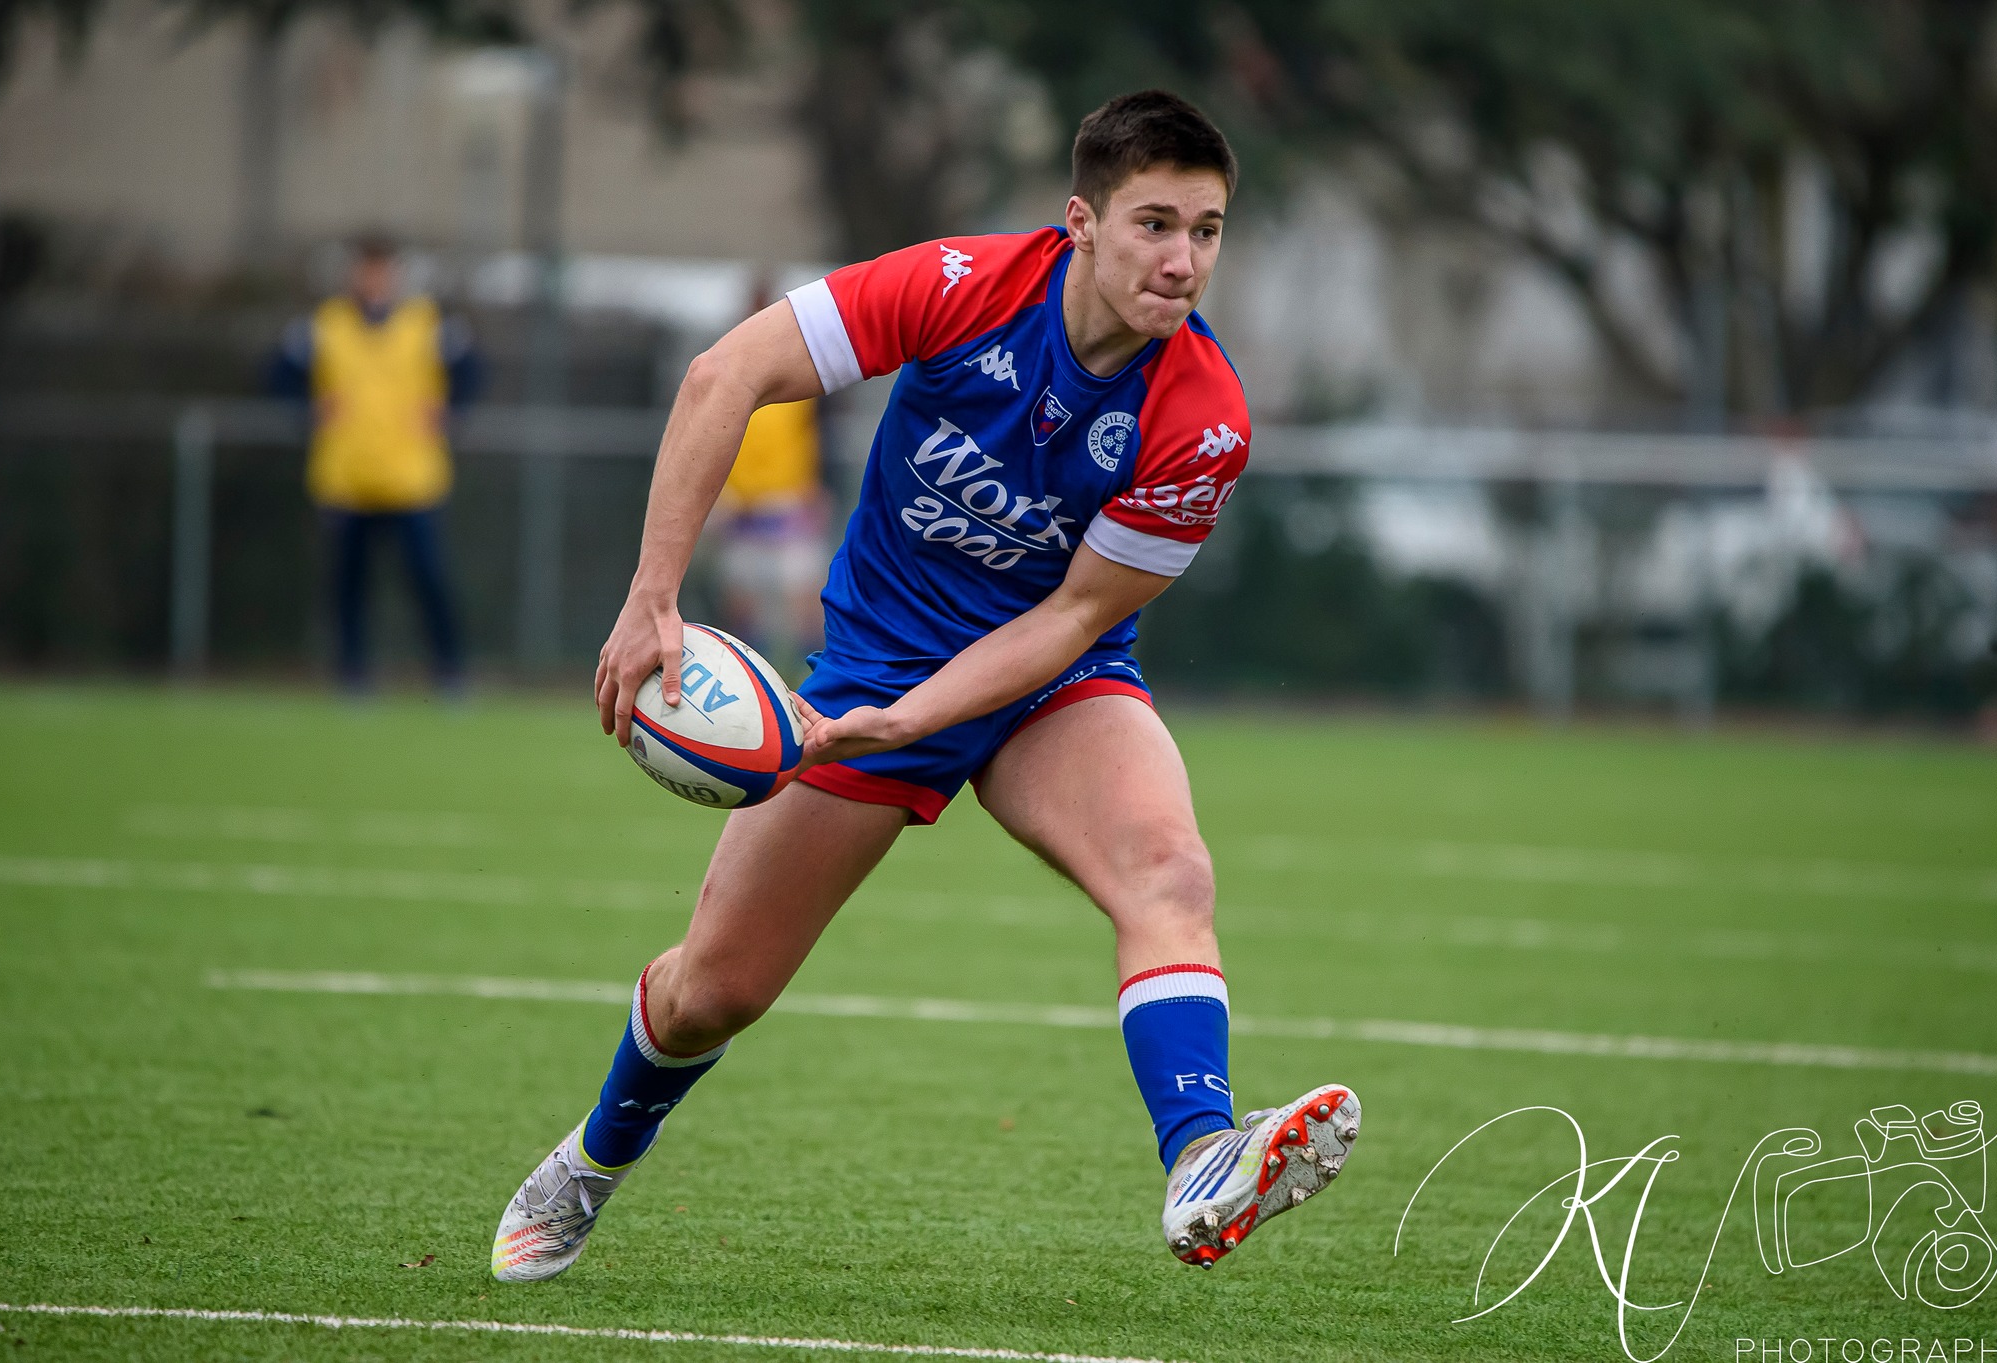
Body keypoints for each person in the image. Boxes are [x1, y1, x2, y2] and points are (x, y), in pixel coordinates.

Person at [491, 91, 1360, 1282]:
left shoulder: (1202, 419)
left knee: (1169, 870)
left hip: (1052, 681)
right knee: (712, 992)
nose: (1181, 260)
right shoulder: (962, 285)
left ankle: (1202, 1153)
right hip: (873, 664)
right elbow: (723, 374)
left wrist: (911, 720)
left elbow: (1073, 616)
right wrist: (653, 597)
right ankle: (593, 1157)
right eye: (1154, 224)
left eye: (1205, 231)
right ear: (1080, 224)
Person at [271, 234, 480, 692]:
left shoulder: (427, 323)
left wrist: (452, 411)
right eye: (367, 270)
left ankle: (450, 672)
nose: (374, 280)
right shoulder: (326, 325)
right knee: (348, 586)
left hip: (413, 478)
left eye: (382, 270)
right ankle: (352, 676)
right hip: (346, 478)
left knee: (429, 581)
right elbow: (278, 372)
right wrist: (307, 409)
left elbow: (472, 369)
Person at [713, 280, 828, 676]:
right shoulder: (731, 367)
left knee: (802, 596)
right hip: (741, 502)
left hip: (787, 498)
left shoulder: (800, 372)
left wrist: (815, 488)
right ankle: (749, 676)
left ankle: (814, 676)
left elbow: (817, 436)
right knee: (743, 599)